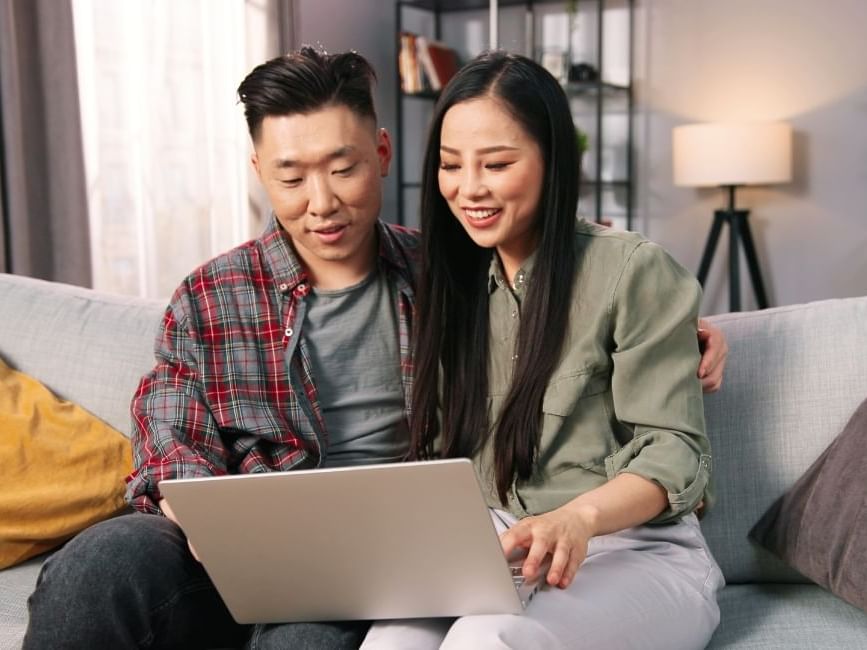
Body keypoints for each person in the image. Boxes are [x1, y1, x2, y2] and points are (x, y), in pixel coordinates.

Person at [24, 48, 726, 650]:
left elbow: (580, 300)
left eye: (342, 168)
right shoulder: (215, 295)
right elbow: (168, 438)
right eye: (291, 177)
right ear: (259, 169)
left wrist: (685, 330)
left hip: (377, 559)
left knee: (317, 638)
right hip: (235, 543)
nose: (320, 201)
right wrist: (216, 521)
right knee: (99, 564)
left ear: (383, 154)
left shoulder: (440, 275)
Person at [361, 51, 725, 649]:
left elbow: (675, 449)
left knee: (487, 640)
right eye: (451, 165)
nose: (468, 188)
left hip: (639, 553)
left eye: (497, 164)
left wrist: (578, 517)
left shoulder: (630, 269)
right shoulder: (451, 283)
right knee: (389, 643)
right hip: (501, 546)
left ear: (552, 161)